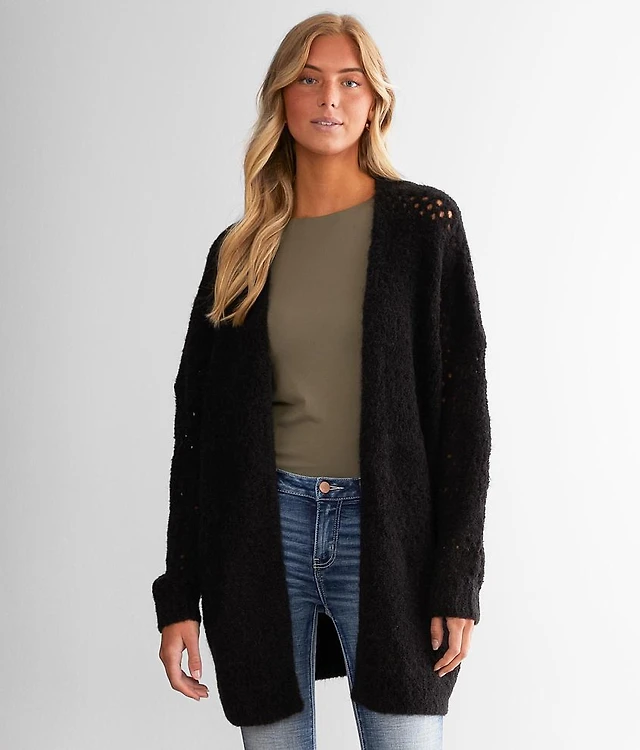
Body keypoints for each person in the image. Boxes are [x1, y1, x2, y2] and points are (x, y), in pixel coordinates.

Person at [152, 12, 491, 750]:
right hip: (260, 529)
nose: (329, 97)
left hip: (391, 532)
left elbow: (464, 415)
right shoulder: (238, 250)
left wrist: (457, 576)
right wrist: (179, 596)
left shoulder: (425, 224)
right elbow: (196, 434)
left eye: (349, 81)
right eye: (308, 79)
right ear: (281, 97)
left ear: (375, 102)